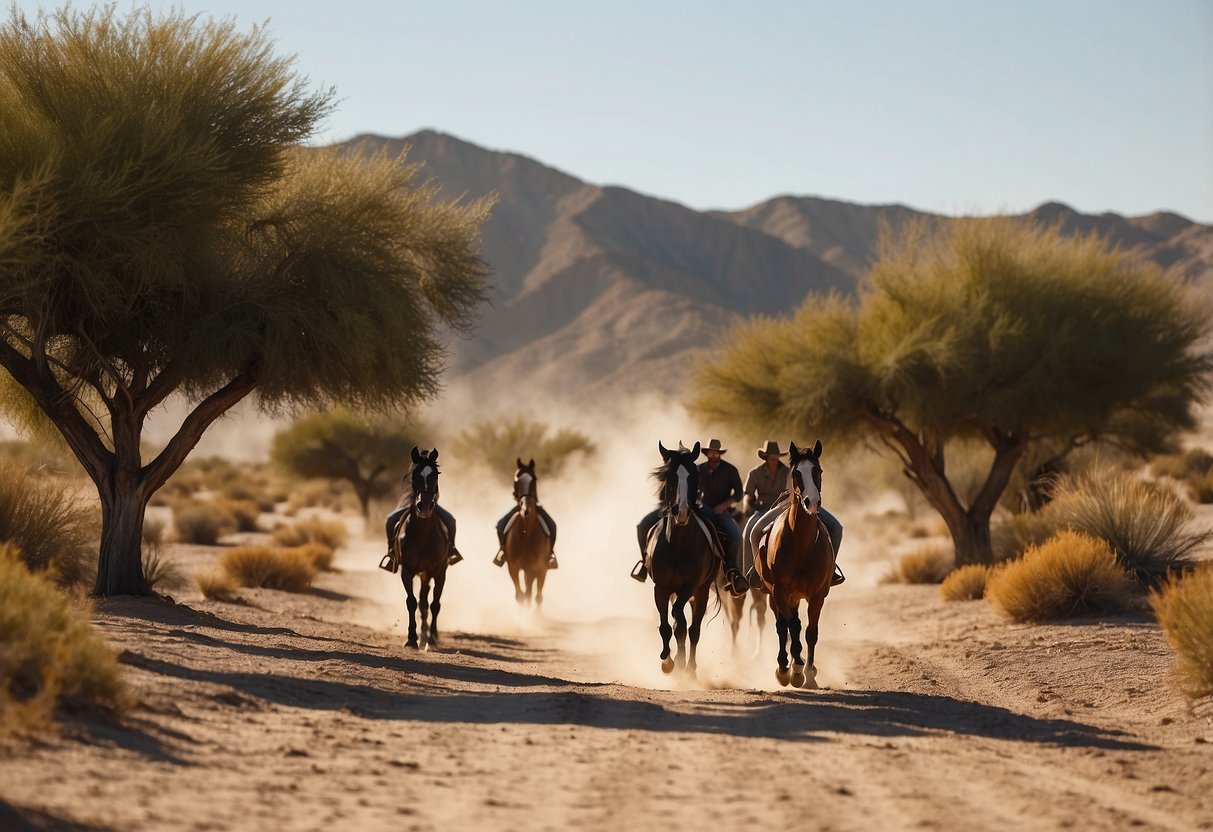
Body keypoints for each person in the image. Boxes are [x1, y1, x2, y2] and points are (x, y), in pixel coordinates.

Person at [630, 439, 748, 596]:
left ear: (720, 453)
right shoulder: (697, 469)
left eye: (716, 451)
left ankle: (733, 572)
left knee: (735, 535)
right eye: (710, 451)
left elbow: (739, 494)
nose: (713, 454)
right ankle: (646, 564)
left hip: (721, 511)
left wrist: (723, 505)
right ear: (706, 453)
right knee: (643, 525)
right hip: (700, 509)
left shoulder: (730, 470)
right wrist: (691, 503)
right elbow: (691, 490)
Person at [742, 440, 844, 587]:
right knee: (752, 532)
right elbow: (748, 494)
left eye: (777, 456)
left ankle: (830, 568)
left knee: (836, 528)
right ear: (766, 457)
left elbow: (797, 490)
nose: (775, 459)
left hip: (791, 505)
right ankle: (754, 571)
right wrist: (746, 505)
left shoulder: (790, 470)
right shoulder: (755, 473)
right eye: (772, 457)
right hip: (769, 508)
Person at [383, 467, 462, 570]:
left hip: (431, 505)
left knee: (451, 520)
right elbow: (407, 494)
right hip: (412, 505)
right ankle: (392, 552)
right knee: (390, 519)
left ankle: (451, 549)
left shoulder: (432, 477)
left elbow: (437, 494)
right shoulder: (413, 476)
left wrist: (431, 502)